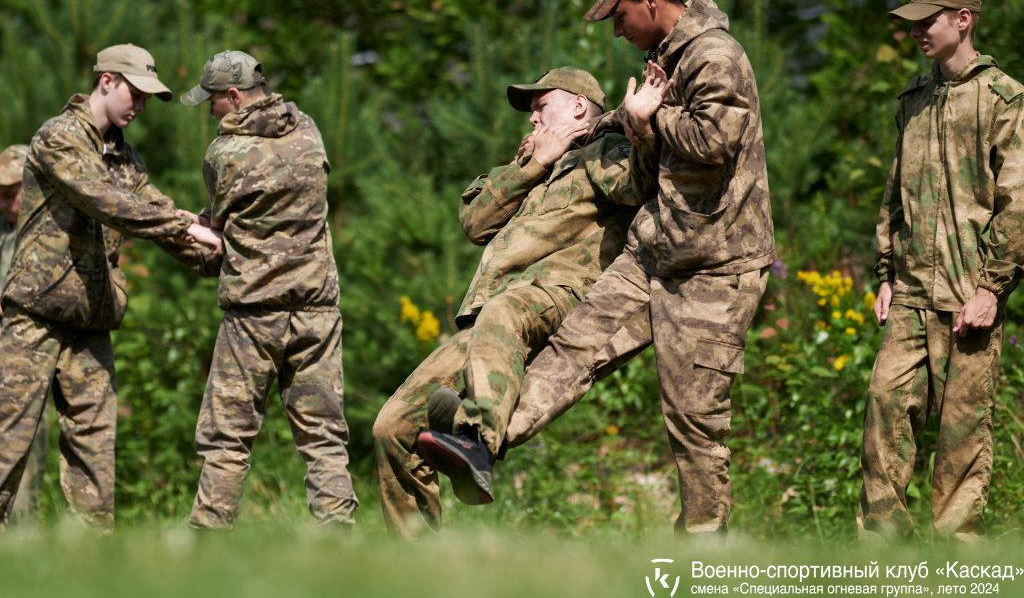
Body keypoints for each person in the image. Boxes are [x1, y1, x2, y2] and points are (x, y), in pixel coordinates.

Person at [503, 0, 776, 536]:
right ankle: (476, 439)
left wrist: (650, 119)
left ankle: (703, 552)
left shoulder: (715, 55)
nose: (616, 28)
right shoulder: (664, 58)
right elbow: (655, 168)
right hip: (655, 248)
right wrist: (610, 128)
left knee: (693, 419)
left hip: (717, 268)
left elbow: (716, 138)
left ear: (651, 0)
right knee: (572, 346)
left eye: (619, 15)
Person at [372, 66, 656, 538]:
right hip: (492, 322)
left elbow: (638, 186)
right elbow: (475, 222)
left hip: (557, 299)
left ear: (579, 107)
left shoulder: (604, 150)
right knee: (391, 428)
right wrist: (534, 165)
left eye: (541, 106)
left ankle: (476, 442)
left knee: (504, 310)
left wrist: (642, 128)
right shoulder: (533, 164)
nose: (531, 119)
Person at [0, 44, 223, 529]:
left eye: (146, 99)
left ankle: (91, 570)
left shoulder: (127, 158)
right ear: (107, 81)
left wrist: (223, 255)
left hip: (91, 326)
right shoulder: (57, 139)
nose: (140, 107)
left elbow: (156, 211)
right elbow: (108, 202)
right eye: (136, 94)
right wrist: (187, 227)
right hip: (33, 320)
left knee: (95, 465)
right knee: (6, 450)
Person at [860, 0, 1024, 541]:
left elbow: (1019, 203)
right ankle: (883, 555)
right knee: (883, 414)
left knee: (960, 441)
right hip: (908, 292)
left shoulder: (1004, 99)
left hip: (967, 295)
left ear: (963, 20)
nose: (917, 33)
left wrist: (990, 288)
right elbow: (895, 193)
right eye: (913, 23)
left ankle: (961, 562)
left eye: (928, 20)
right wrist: (886, 273)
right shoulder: (913, 99)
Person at [178, 50, 357, 529]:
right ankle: (338, 532)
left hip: (253, 316)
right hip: (317, 311)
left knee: (227, 439)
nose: (210, 112)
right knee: (323, 435)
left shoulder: (224, 154)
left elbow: (220, 230)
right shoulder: (309, 131)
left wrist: (186, 235)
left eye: (212, 102)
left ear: (233, 97)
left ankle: (208, 537)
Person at [0, 144, 48, 523]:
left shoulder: (48, 232)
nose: (4, 200)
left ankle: (22, 542)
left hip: (26, 362)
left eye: (10, 192)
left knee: (24, 452)